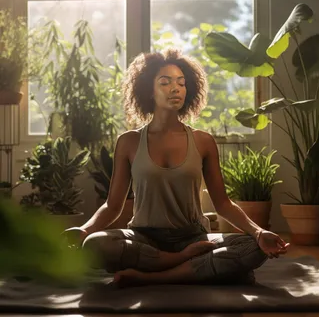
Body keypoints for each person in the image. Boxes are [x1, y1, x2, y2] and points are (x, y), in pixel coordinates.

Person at [64, 48, 289, 288]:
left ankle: (152, 276)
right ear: (148, 90)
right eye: (165, 82)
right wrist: (84, 230)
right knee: (96, 244)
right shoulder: (128, 142)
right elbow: (113, 206)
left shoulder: (203, 141)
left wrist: (258, 232)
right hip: (144, 238)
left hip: (193, 236)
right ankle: (186, 264)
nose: (176, 88)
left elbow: (223, 203)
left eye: (181, 83)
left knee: (253, 248)